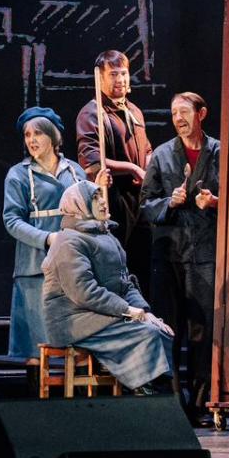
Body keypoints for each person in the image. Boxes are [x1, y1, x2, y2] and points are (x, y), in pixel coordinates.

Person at [40, 181, 175, 394]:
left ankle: (156, 391)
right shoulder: (68, 242)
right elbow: (84, 292)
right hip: (74, 318)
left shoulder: (106, 236)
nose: (103, 201)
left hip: (100, 313)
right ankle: (144, 390)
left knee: (159, 329)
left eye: (101, 196)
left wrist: (145, 311)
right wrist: (127, 310)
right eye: (95, 198)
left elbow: (125, 283)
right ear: (79, 205)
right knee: (146, 334)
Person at [141, 91, 220, 425]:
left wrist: (213, 202)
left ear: (201, 113)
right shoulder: (162, 155)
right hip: (169, 254)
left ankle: (201, 405)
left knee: (202, 332)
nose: (178, 119)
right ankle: (173, 405)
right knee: (170, 331)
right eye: (174, 113)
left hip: (205, 253)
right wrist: (168, 203)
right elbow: (146, 204)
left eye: (184, 112)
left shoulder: (219, 152)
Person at [1, 106, 91, 362]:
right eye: (27, 135)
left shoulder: (74, 171)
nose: (31, 140)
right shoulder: (18, 175)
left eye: (38, 133)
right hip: (36, 266)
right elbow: (11, 220)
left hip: (71, 264)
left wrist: (96, 192)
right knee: (37, 348)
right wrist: (46, 238)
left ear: (53, 136)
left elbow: (88, 213)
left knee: (72, 347)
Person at [75, 49, 152, 289]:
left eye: (124, 73)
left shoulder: (134, 111)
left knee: (142, 263)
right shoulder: (92, 113)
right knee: (118, 264)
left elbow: (146, 148)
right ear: (100, 78)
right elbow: (91, 161)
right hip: (113, 199)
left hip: (140, 199)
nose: (120, 79)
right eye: (113, 74)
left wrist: (147, 167)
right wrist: (131, 168)